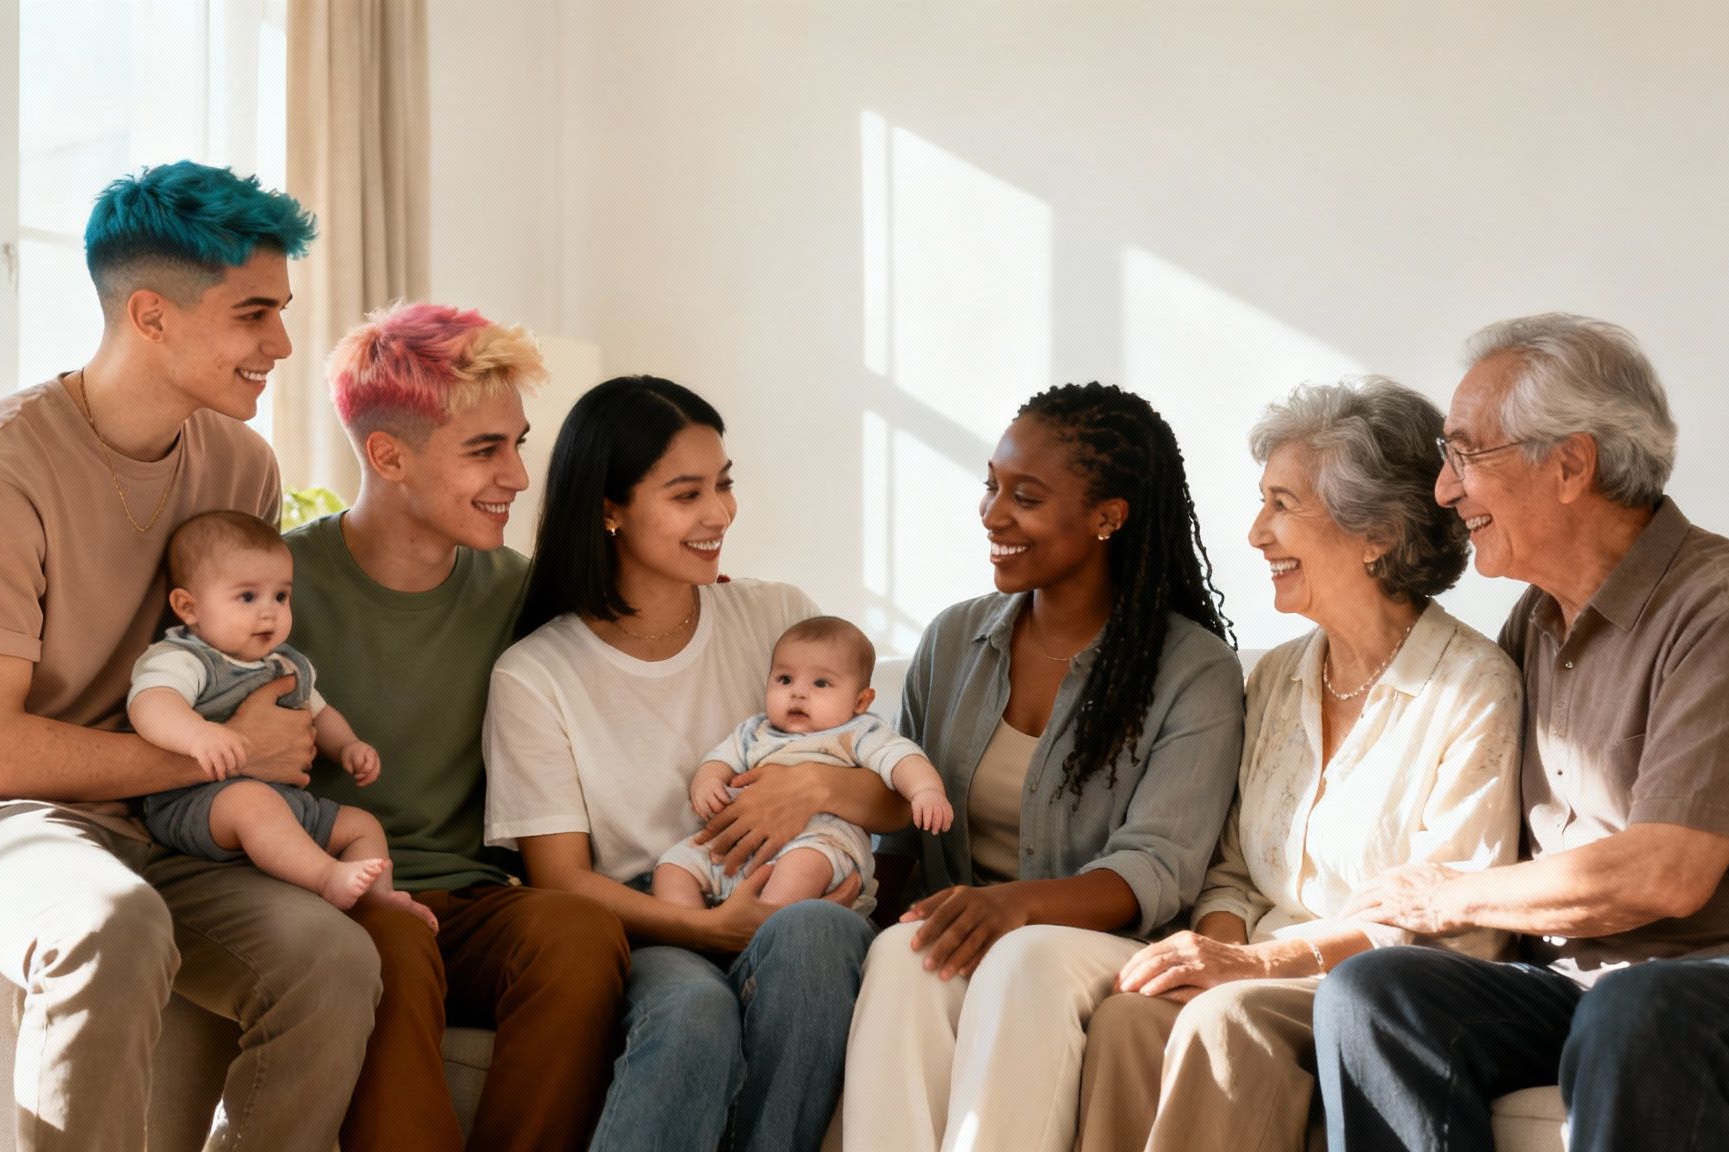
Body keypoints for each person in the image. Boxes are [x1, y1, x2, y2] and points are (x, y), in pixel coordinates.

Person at [0, 160, 377, 1151]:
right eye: (254, 314)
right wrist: (227, 755)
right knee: (109, 922)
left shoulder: (241, 466)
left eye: (280, 312)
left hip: (168, 828)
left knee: (333, 957)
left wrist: (243, 756)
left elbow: (229, 676)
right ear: (151, 316)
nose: (280, 344)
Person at [1314, 314, 1729, 1151]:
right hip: (1588, 983)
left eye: (1465, 455)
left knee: (1640, 1009)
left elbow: (1665, 873)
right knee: (1376, 994)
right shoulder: (1534, 623)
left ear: (1571, 465)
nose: (1444, 490)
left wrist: (1444, 895)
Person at [1072, 378, 1523, 1152]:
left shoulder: (1474, 687)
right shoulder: (1276, 678)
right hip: (1260, 966)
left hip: (1385, 986)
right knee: (1131, 1015)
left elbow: (1457, 920)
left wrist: (1252, 965)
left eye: (1282, 505)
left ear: (1376, 532)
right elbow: (1231, 872)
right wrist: (1211, 954)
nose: (1256, 533)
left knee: (1225, 1016)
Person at [483, 375, 901, 1152]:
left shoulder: (778, 616)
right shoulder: (536, 674)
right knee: (693, 1013)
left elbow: (896, 803)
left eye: (724, 484)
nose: (720, 514)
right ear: (608, 508)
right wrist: (708, 926)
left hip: (797, 893)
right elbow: (560, 878)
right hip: (653, 922)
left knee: (814, 934)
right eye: (687, 494)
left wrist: (812, 785)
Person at [841, 382, 1245, 1152]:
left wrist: (1015, 906)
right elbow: (903, 832)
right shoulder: (953, 641)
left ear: (1107, 516)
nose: (993, 514)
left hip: (1110, 944)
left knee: (1024, 956)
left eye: (1024, 497)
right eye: (991, 486)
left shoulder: (1193, 670)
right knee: (903, 950)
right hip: (980, 924)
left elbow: (1156, 868)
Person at [293, 301, 629, 1152]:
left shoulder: (523, 592)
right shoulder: (275, 585)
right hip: (335, 895)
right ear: (388, 455)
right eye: (485, 450)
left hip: (476, 900)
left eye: (517, 444)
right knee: (392, 945)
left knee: (582, 932)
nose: (517, 476)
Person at [127, 509, 436, 929]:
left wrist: (347, 746)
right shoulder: (185, 657)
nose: (269, 612)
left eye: (281, 596)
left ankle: (376, 899)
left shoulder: (286, 664)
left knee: (362, 826)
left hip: (284, 803)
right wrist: (197, 735)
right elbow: (151, 704)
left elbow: (319, 712)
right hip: (197, 804)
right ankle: (326, 877)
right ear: (189, 607)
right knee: (253, 802)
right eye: (247, 597)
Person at [651, 614, 951, 911]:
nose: (797, 692)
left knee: (803, 867)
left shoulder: (860, 732)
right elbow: (719, 759)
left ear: (861, 701)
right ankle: (695, 928)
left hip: (818, 839)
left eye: (821, 683)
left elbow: (902, 758)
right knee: (671, 868)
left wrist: (925, 790)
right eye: (784, 679)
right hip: (736, 842)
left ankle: (764, 926)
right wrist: (707, 782)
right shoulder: (754, 731)